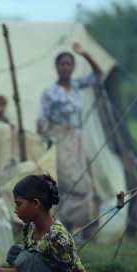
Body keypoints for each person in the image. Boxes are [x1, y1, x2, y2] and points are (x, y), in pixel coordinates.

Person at [36, 42, 103, 231]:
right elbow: (41, 120)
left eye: (69, 64)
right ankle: (60, 224)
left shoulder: (75, 85)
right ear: (56, 67)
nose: (65, 67)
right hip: (59, 138)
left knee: (83, 181)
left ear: (73, 67)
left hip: (75, 138)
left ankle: (78, 225)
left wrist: (85, 54)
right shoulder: (49, 92)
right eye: (62, 64)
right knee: (66, 181)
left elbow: (99, 75)